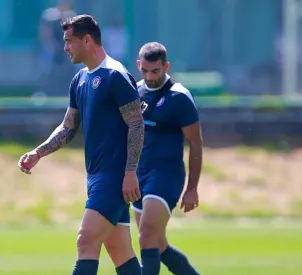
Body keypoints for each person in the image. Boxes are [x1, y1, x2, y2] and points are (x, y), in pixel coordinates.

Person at [18, 15, 144, 275]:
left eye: (68, 41)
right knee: (119, 250)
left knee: (86, 240)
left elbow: (136, 124)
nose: (64, 47)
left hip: (115, 177)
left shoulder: (115, 76)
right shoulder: (80, 80)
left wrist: (131, 172)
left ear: (87, 40)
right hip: (96, 177)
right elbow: (68, 127)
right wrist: (38, 152)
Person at [104, 42, 202, 275]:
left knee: (147, 234)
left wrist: (193, 188)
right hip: (140, 175)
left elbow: (196, 143)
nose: (150, 76)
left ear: (166, 66)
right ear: (138, 65)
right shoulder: (134, 92)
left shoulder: (179, 97)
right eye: (145, 70)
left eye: (156, 71)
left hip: (166, 174)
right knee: (157, 243)